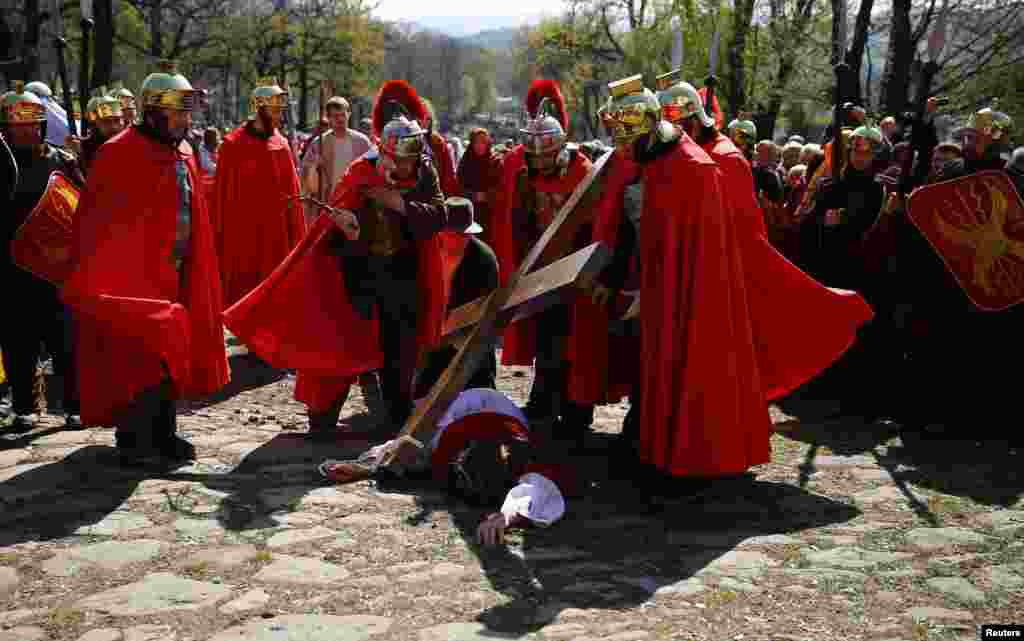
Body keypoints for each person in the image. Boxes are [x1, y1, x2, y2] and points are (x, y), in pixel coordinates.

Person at [599, 74, 863, 489]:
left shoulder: (706, 163)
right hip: (663, 282)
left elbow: (738, 236)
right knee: (654, 365)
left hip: (708, 283)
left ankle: (681, 454)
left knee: (694, 367)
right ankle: (650, 442)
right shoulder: (664, 158)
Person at [224, 79, 468, 439]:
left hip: (405, 271)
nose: (407, 166)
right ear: (386, 152)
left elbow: (437, 215)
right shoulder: (361, 172)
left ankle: (396, 418)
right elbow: (333, 228)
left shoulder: (424, 172)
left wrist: (397, 202)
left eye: (413, 159)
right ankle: (323, 418)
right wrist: (346, 226)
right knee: (339, 342)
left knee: (400, 348)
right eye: (401, 159)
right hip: (358, 272)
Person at [653, 71, 872, 411]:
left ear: (694, 122)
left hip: (721, 278)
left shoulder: (725, 159)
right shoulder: (694, 154)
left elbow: (744, 231)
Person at [61, 61, 230, 463]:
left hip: (177, 270)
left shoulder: (183, 151)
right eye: (178, 112)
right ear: (154, 111)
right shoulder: (119, 154)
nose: (186, 121)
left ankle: (164, 433)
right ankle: (135, 439)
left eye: (188, 113)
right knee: (137, 358)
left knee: (171, 355)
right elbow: (98, 222)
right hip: (131, 276)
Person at [490, 79, 603, 445]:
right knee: (544, 341)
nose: (538, 162)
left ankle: (574, 411)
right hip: (540, 271)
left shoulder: (583, 172)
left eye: (544, 156)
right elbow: (519, 223)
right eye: (533, 156)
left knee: (574, 345)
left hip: (577, 272)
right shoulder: (525, 175)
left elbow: (595, 223)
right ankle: (542, 404)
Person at [319, 388, 576, 545]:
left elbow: (538, 487)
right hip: (463, 408)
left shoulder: (522, 453)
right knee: (414, 442)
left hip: (495, 413)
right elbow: (404, 446)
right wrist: (367, 466)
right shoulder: (439, 441)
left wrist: (505, 517)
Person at [0, 81, 84, 432]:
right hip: (11, 266)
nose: (28, 130)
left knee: (64, 340)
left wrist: (84, 160)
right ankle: (24, 406)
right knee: (18, 340)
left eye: (34, 123)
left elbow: (81, 202)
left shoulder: (61, 161)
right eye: (20, 125)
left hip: (54, 266)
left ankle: (74, 405)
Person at [211, 77, 305, 309]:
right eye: (274, 110)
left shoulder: (281, 145)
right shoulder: (232, 146)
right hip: (244, 238)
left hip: (276, 238)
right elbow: (222, 200)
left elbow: (293, 199)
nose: (279, 116)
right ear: (259, 109)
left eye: (280, 110)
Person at [301, 96, 372, 226]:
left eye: (342, 114)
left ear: (349, 115)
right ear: (328, 118)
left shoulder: (362, 142)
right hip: (327, 206)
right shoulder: (318, 144)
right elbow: (307, 184)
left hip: (355, 205)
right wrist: (315, 166)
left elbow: (371, 174)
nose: (339, 119)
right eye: (334, 116)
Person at [455, 127, 502, 246]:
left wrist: (489, 196)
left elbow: (502, 188)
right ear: (472, 143)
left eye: (484, 142)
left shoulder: (495, 162)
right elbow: (458, 189)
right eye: (477, 142)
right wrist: (473, 196)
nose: (480, 145)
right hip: (468, 214)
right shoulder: (465, 163)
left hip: (490, 215)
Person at [69, 89, 126, 175]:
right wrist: (79, 156)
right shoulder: (84, 149)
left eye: (117, 120)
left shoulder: (131, 143)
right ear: (94, 125)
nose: (114, 127)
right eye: (106, 122)